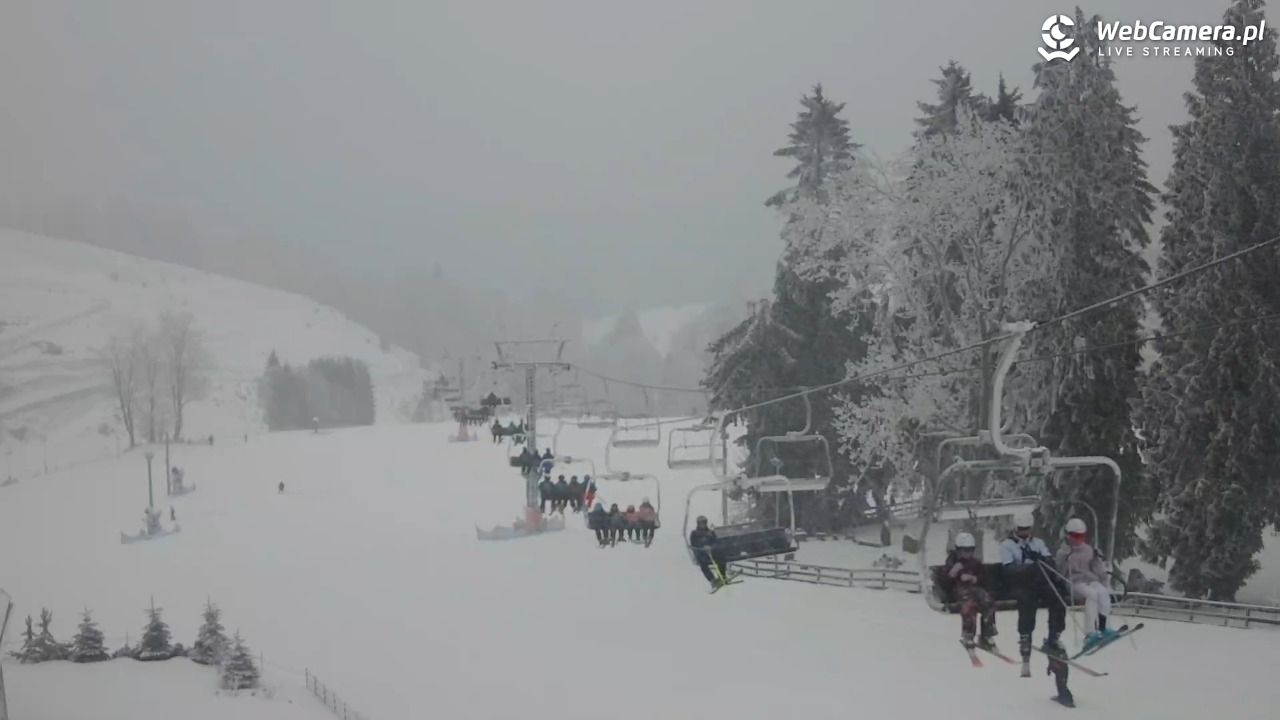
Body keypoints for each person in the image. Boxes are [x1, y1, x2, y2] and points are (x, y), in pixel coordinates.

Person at [999, 512, 1067, 667]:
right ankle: (1025, 635)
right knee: (1026, 600)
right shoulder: (1007, 545)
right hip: (1020, 583)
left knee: (1057, 598)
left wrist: (1042, 559)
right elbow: (1008, 568)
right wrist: (1029, 568)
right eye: (1021, 529)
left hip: (1039, 582)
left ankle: (1054, 636)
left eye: (1027, 529)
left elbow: (1049, 563)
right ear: (1016, 528)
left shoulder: (1038, 543)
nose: (1024, 532)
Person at [1057, 517, 1117, 650]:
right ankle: (1090, 633)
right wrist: (1065, 559)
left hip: (1089, 580)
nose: (1078, 539)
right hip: (1073, 582)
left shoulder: (1089, 550)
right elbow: (1059, 574)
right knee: (1092, 595)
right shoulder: (1063, 552)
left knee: (1102, 592)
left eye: (1081, 536)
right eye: (1075, 536)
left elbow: (1098, 571)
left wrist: (1098, 560)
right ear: (1068, 535)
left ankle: (1104, 627)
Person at [942, 532, 996, 649]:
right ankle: (968, 634)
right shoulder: (952, 562)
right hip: (959, 589)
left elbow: (984, 577)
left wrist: (974, 578)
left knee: (988, 601)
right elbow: (945, 581)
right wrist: (953, 573)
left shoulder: (975, 562)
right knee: (969, 604)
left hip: (974, 588)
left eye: (971, 550)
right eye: (965, 550)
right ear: (958, 550)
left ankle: (987, 634)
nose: (968, 553)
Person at [690, 515, 727, 588]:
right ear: (698, 524)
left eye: (704, 523)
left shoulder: (710, 532)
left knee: (721, 558)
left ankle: (722, 576)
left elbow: (715, 542)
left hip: (711, 552)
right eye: (701, 523)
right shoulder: (694, 533)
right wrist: (702, 548)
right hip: (701, 553)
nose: (702, 525)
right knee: (702, 563)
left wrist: (711, 547)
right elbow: (693, 543)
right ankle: (712, 580)